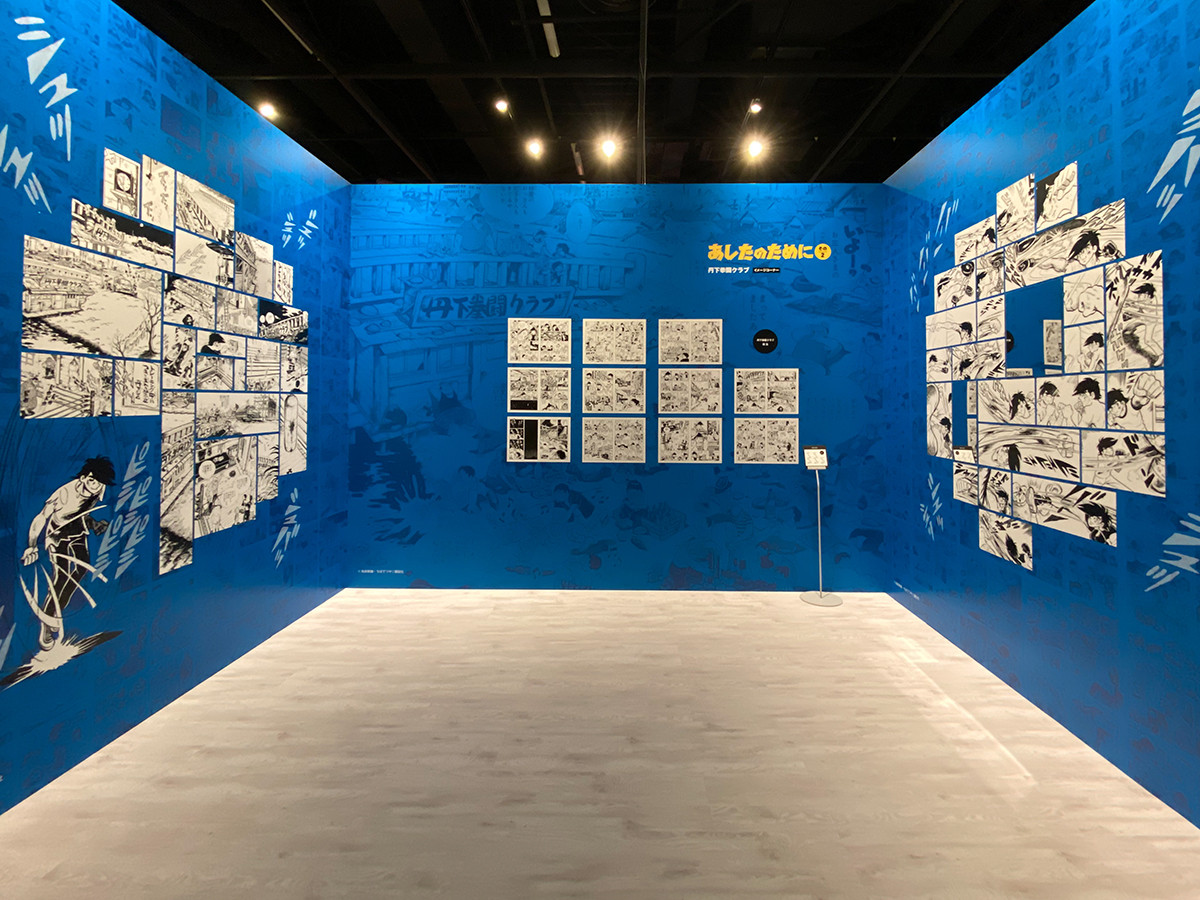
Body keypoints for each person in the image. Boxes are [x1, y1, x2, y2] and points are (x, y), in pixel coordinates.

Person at [22, 457, 115, 650]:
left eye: (100, 484)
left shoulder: (99, 489)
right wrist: (31, 545)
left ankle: (57, 607)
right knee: (61, 577)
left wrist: (95, 524)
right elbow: (41, 517)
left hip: (78, 532)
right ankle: (48, 620)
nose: (97, 488)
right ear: (85, 477)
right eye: (94, 481)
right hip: (58, 537)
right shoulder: (63, 494)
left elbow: (83, 514)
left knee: (81, 569)